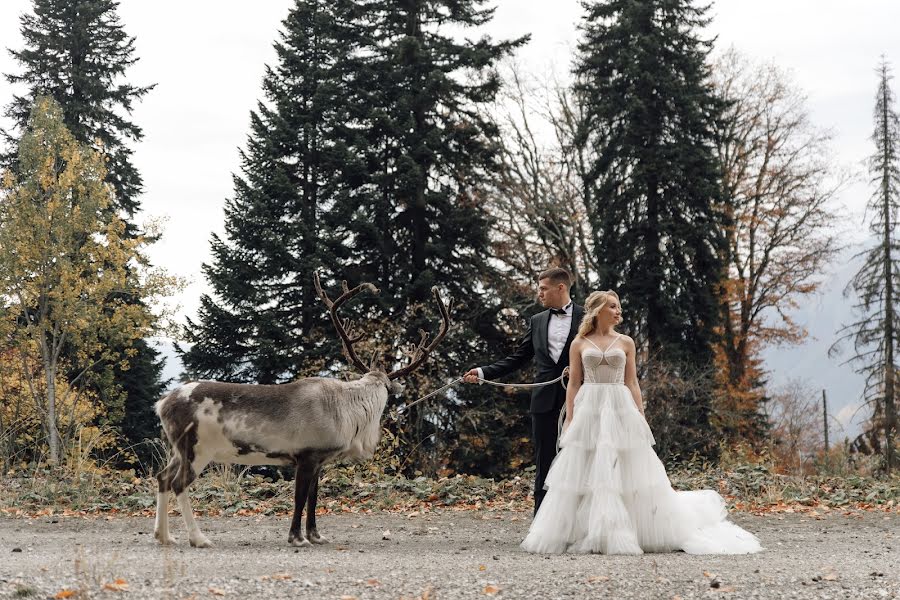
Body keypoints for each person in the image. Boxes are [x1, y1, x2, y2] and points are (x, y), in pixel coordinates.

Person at [520, 290, 763, 555]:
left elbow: (632, 382)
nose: (618, 311)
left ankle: (626, 529)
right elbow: (574, 383)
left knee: (626, 466)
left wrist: (640, 414)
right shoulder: (579, 343)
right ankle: (585, 530)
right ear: (598, 309)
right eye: (612, 306)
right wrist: (570, 416)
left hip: (619, 404)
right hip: (589, 405)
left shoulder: (626, 342)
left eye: (619, 307)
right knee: (584, 467)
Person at [464, 267, 584, 514]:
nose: (539, 294)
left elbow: (600, 354)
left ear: (560, 287)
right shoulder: (537, 321)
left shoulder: (587, 317)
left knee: (581, 459)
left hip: (581, 400)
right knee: (544, 460)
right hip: (543, 401)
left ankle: (579, 519)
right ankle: (542, 521)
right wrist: (483, 372)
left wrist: (580, 371)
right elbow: (518, 358)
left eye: (543, 289)